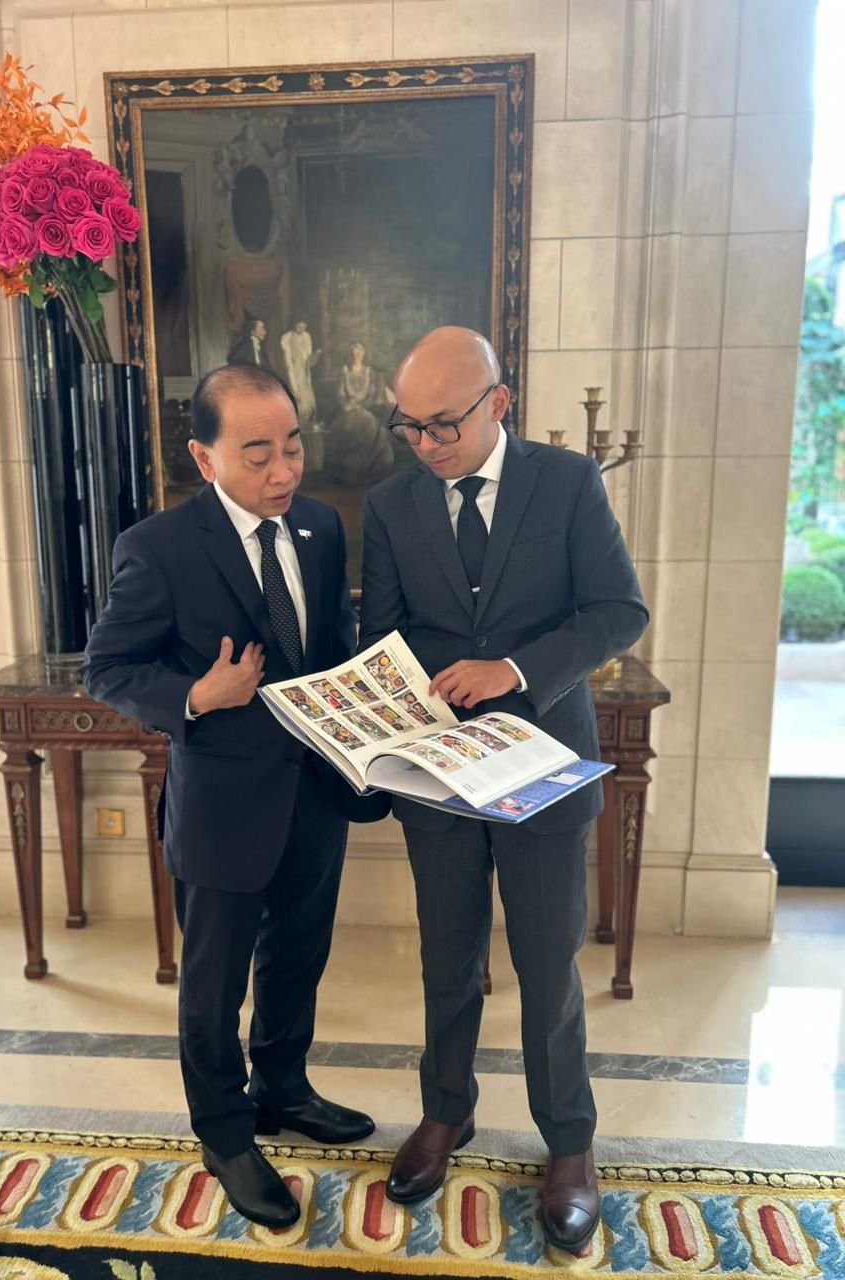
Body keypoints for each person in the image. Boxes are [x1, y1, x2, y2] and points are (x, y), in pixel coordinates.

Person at [358, 327, 648, 1254]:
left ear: (500, 403)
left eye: (444, 424)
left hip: (545, 768)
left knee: (547, 964)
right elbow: (384, 637)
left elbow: (619, 610)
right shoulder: (391, 504)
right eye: (409, 425)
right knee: (447, 957)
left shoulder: (567, 483)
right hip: (437, 774)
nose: (426, 443)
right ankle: (446, 1112)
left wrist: (514, 670)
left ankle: (569, 1142)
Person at [83, 364, 384, 1231]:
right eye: (258, 454)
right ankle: (223, 1130)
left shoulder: (320, 529)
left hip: (314, 792)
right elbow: (108, 667)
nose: (283, 471)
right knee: (212, 986)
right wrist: (194, 695)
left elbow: (331, 649)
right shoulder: (160, 548)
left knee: (298, 956)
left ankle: (283, 1088)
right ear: (204, 457)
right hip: (222, 806)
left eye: (293, 446)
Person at [327, 342, 395, 484]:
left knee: (370, 424)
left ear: (362, 355)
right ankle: (349, 472)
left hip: (365, 408)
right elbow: (340, 393)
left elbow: (371, 394)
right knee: (344, 427)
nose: (355, 356)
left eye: (358, 353)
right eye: (353, 354)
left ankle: (367, 471)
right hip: (348, 409)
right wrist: (347, 405)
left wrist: (362, 405)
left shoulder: (368, 371)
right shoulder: (345, 370)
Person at [280, 320, 322, 426]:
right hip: (293, 375)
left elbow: (309, 362)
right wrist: (295, 389)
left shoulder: (307, 337)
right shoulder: (287, 338)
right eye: (299, 325)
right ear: (294, 324)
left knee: (309, 407)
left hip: (304, 376)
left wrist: (316, 356)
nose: (302, 328)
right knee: (299, 406)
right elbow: (288, 365)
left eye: (304, 326)